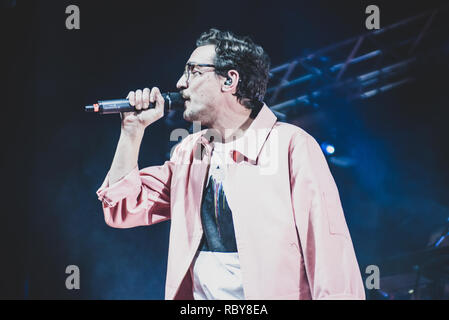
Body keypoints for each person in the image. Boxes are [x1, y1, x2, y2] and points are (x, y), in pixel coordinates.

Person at [96, 28, 366, 300]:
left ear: (229, 80)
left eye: (193, 71)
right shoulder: (190, 152)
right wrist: (132, 131)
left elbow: (329, 252)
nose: (180, 83)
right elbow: (123, 206)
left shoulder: (291, 146)